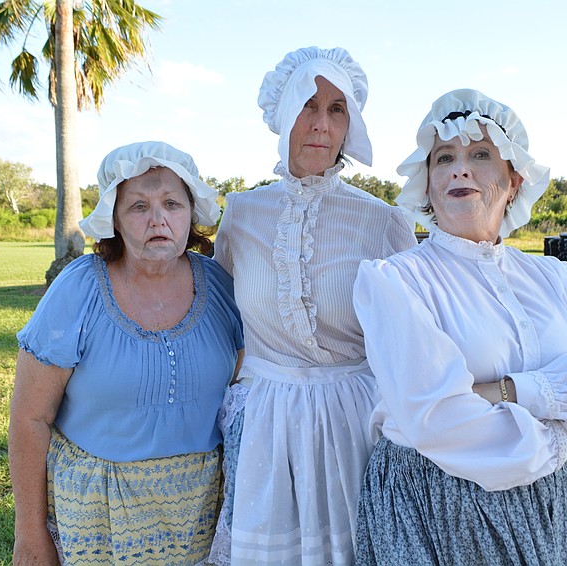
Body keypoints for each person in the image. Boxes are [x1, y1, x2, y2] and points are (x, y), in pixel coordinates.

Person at [352, 89, 567, 565]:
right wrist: (566, 427)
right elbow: (438, 419)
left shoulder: (561, 280)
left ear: (514, 180)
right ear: (428, 183)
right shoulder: (395, 282)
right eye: (444, 158)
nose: (459, 169)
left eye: (480, 155)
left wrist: (507, 390)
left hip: (552, 503)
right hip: (434, 505)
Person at [207, 46, 417, 565]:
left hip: (355, 421)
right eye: (307, 104)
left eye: (336, 109)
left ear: (351, 126)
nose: (321, 123)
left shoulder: (382, 221)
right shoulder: (240, 215)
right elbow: (220, 324)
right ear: (282, 115)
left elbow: (414, 332)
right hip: (263, 423)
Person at [9, 141, 244, 565]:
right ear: (114, 219)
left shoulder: (222, 287)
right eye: (138, 206)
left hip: (200, 516)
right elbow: (31, 417)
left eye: (172, 203)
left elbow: (241, 392)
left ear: (191, 215)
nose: (158, 219)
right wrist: (29, 535)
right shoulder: (80, 288)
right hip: (98, 518)